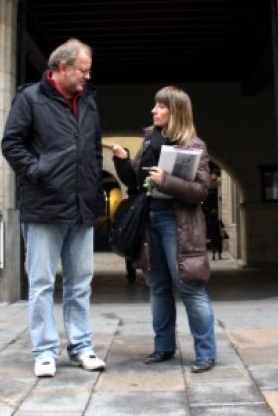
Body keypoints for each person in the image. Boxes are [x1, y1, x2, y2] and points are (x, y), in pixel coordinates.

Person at [1, 38, 106, 378]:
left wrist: (95, 193)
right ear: (62, 68)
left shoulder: (88, 101)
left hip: (81, 206)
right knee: (43, 282)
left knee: (80, 283)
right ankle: (45, 351)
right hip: (44, 204)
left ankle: (81, 346)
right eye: (83, 71)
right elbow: (11, 143)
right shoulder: (29, 98)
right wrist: (36, 171)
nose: (87, 77)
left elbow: (92, 151)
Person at [111, 86, 217, 373]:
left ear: (176, 111)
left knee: (189, 286)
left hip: (178, 224)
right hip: (150, 221)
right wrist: (122, 160)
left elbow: (200, 192)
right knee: (157, 287)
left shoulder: (195, 146)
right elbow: (136, 181)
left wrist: (166, 181)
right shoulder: (148, 141)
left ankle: (205, 352)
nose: (154, 111)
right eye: (154, 106)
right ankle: (163, 347)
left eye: (160, 106)